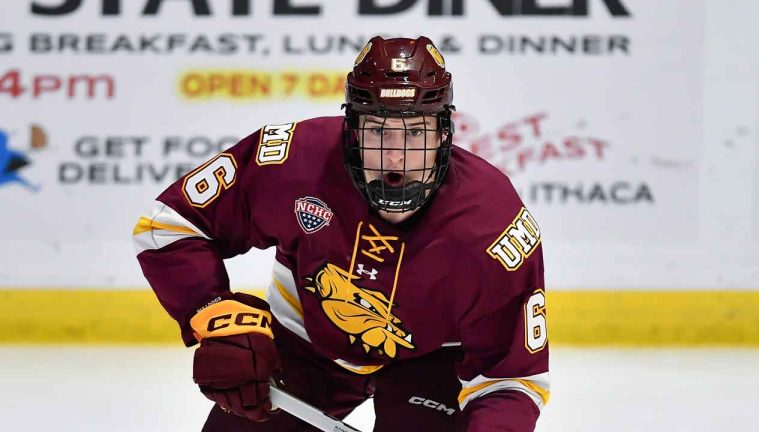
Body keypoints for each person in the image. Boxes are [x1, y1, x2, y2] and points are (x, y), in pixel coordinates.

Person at [133, 35, 549, 431]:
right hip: (305, 341)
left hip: (436, 362)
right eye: (377, 130)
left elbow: (509, 379)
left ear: (444, 133)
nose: (395, 157)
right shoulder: (293, 161)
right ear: (350, 130)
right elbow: (171, 223)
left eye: (416, 132)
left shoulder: (493, 223)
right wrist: (212, 310)